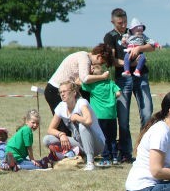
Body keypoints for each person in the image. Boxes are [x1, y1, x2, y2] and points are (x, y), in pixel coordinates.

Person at [104, 8, 156, 164]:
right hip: (123, 78)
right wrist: (129, 63)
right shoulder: (110, 37)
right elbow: (112, 60)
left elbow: (152, 45)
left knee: (147, 113)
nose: (123, 25)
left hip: (141, 77)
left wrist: (140, 48)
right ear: (113, 21)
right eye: (120, 23)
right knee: (124, 119)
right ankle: (125, 152)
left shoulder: (134, 31)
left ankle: (143, 150)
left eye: (125, 22)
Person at [44, 44, 113, 134]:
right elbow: (85, 78)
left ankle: (69, 146)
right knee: (63, 126)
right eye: (103, 62)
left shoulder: (84, 57)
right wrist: (103, 77)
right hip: (55, 91)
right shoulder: (84, 58)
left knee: (69, 125)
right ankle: (61, 147)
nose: (101, 64)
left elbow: (79, 81)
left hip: (63, 91)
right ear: (99, 56)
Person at [43, 81, 106, 171]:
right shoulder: (61, 106)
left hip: (97, 144)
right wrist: (61, 134)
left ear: (74, 92)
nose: (62, 94)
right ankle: (67, 156)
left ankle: (90, 163)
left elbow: (88, 121)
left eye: (64, 91)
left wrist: (76, 117)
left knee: (83, 126)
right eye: (60, 92)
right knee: (47, 139)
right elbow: (50, 129)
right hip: (80, 143)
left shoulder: (81, 103)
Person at [81, 64, 121, 167]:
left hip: (99, 115)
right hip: (111, 114)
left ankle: (106, 158)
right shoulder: (111, 83)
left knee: (103, 138)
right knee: (112, 137)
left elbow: (81, 83)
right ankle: (115, 157)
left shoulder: (93, 86)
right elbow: (118, 94)